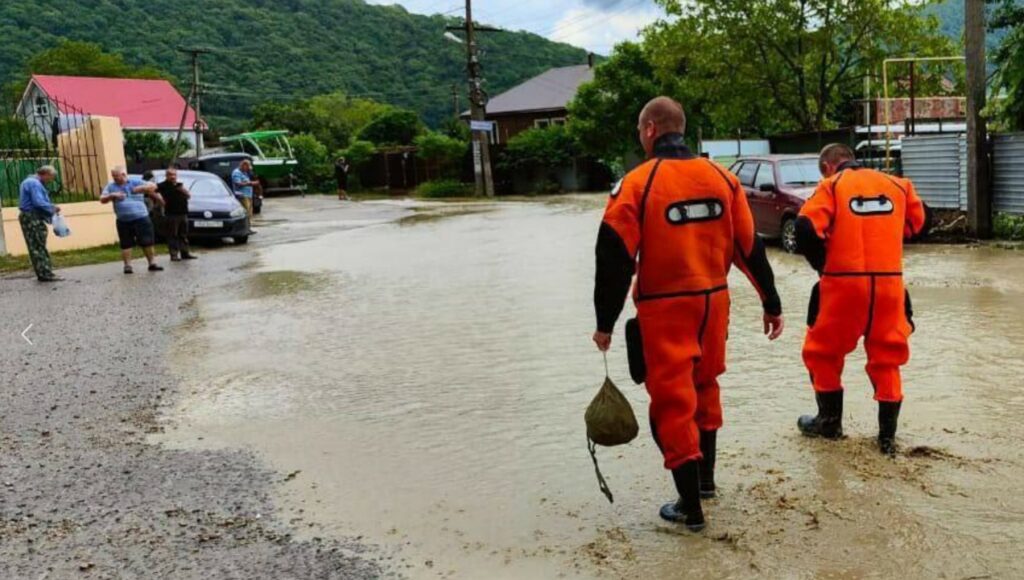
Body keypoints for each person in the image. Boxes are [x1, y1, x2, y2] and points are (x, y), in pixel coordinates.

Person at [592, 97, 784, 532]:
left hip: (665, 308)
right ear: (681, 128)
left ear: (648, 131)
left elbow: (614, 257)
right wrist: (771, 303)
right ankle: (707, 484)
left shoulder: (637, 185)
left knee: (672, 404)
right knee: (705, 388)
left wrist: (605, 322)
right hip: (715, 304)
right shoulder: (722, 178)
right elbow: (749, 247)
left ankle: (689, 509)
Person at [794, 143, 930, 456]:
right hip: (889, 286)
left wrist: (822, 266)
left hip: (842, 286)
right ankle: (887, 439)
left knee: (822, 352)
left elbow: (804, 227)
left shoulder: (831, 187)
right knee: (888, 356)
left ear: (828, 166)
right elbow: (921, 224)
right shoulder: (898, 185)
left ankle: (829, 423)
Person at [100, 167, 164, 274]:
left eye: (117, 176)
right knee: (126, 243)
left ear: (124, 174)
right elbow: (102, 199)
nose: (115, 178)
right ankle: (127, 266)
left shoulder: (135, 181)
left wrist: (140, 188)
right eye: (113, 176)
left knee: (147, 241)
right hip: (123, 220)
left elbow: (154, 186)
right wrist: (112, 195)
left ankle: (152, 263)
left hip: (141, 217)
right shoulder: (111, 186)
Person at [18, 166, 63, 282]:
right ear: (46, 174)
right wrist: (53, 208)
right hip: (32, 217)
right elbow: (38, 202)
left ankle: (42, 272)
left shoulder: (29, 181)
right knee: (38, 246)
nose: (50, 180)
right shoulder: (34, 183)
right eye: (51, 178)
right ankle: (46, 273)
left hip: (29, 217)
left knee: (35, 246)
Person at [157, 167, 197, 261]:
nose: (173, 177)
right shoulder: (162, 186)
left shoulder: (179, 185)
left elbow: (188, 196)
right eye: (170, 175)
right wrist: (160, 200)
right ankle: (174, 254)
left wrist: (181, 189)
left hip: (183, 212)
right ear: (166, 176)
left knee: (183, 234)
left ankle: (185, 253)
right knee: (172, 235)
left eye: (174, 175)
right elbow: (154, 193)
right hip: (171, 213)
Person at [231, 160, 259, 232]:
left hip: (248, 195)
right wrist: (251, 183)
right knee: (245, 212)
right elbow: (238, 183)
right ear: (244, 165)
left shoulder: (245, 172)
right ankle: (244, 228)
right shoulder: (236, 173)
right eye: (247, 167)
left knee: (249, 213)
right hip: (242, 195)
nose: (248, 169)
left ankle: (248, 228)